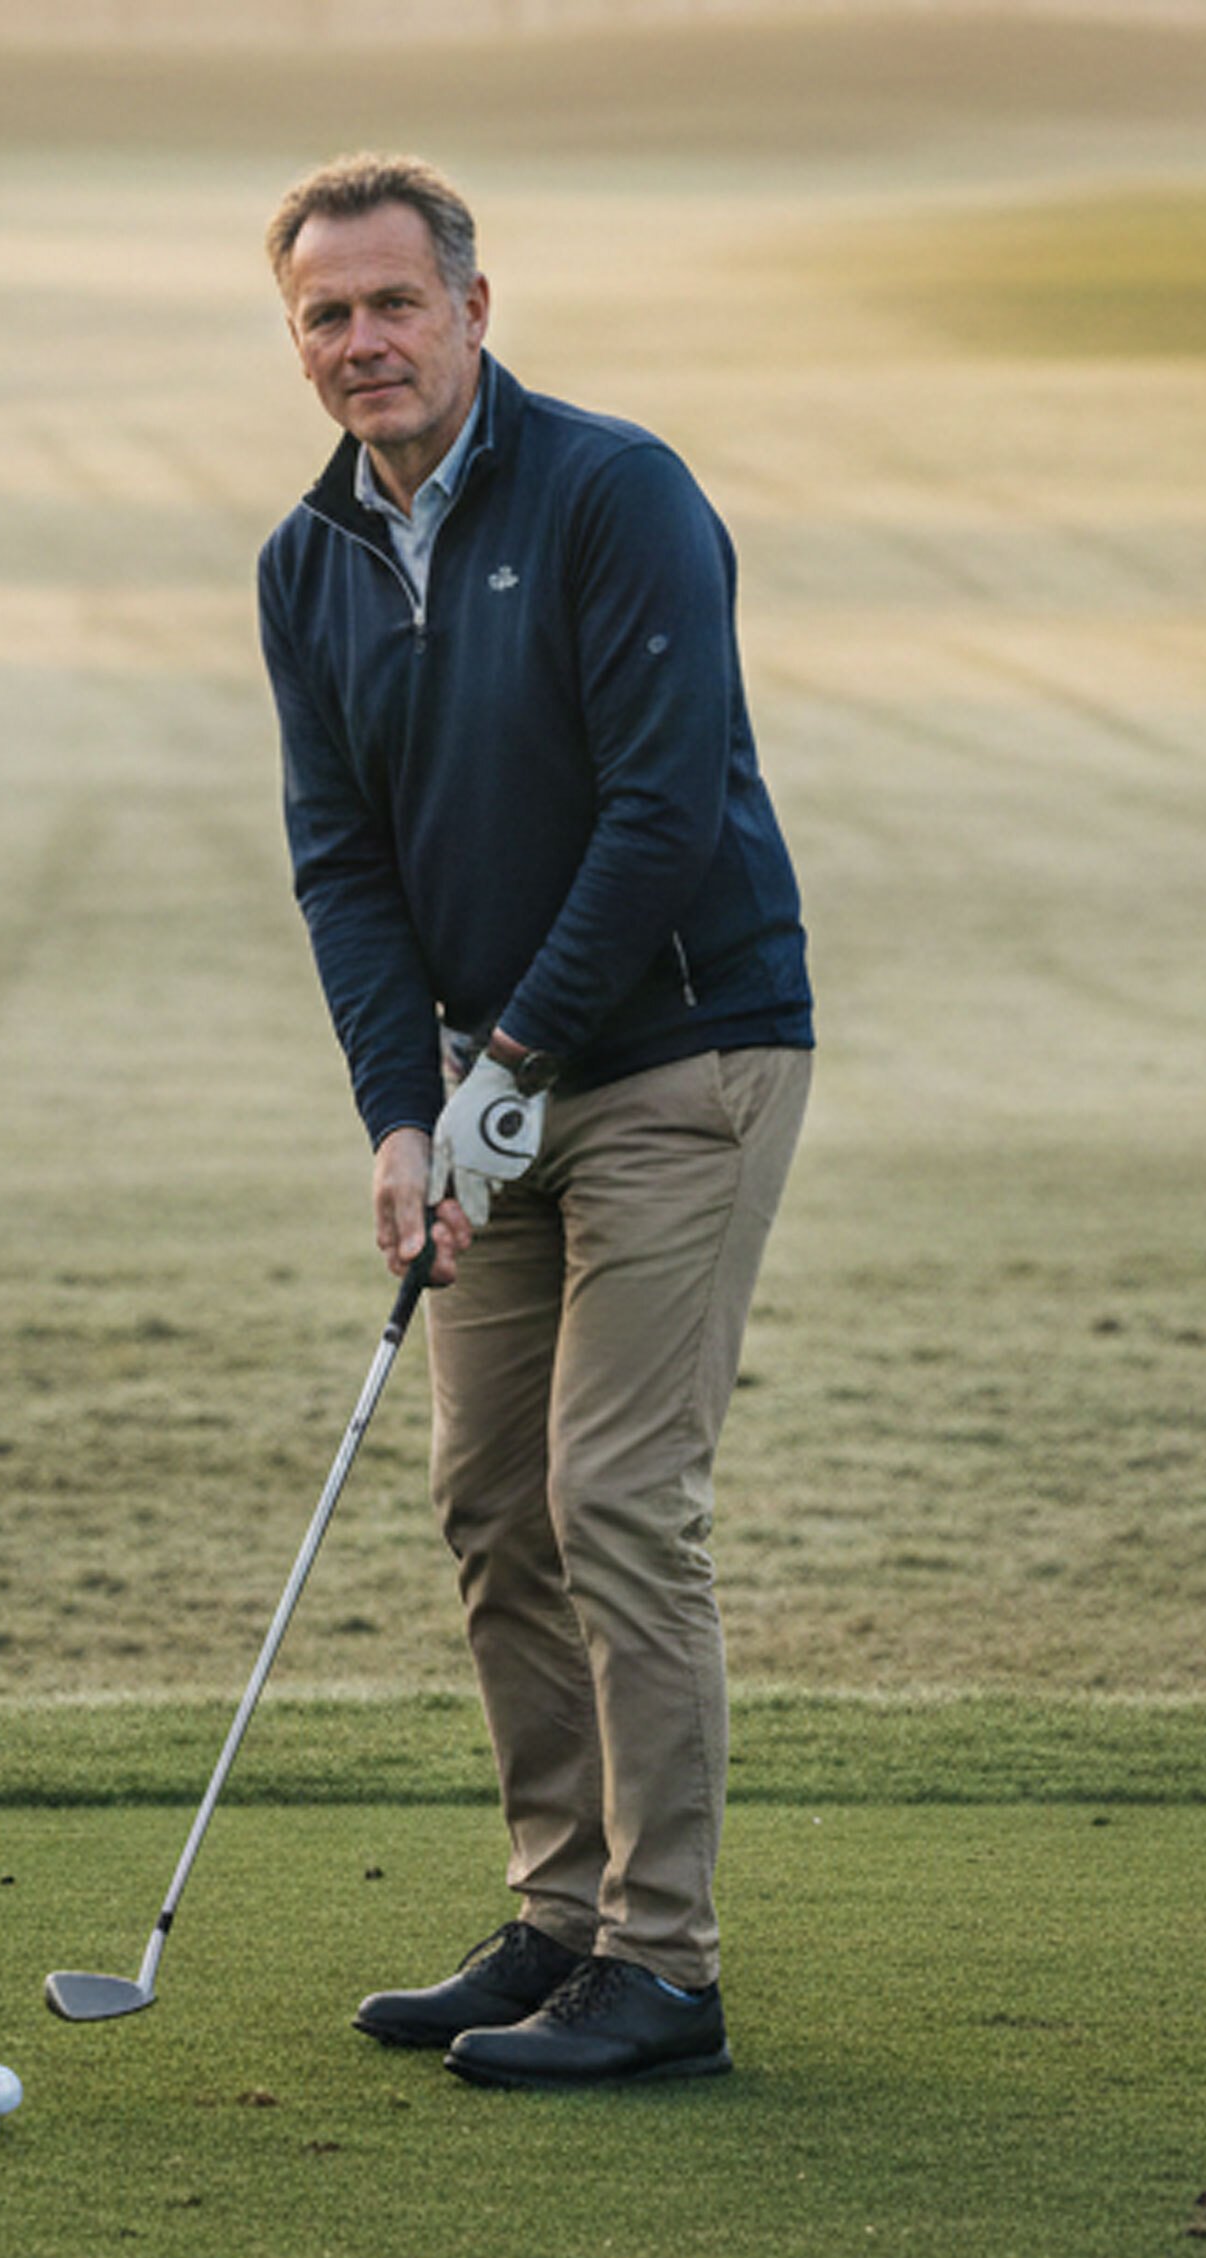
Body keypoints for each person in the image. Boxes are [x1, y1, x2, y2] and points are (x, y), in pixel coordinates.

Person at [257, 154, 813, 2090]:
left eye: (393, 303)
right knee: (489, 1500)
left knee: (614, 1499)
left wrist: (506, 1064)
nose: (361, 343)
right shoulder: (304, 560)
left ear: (475, 309)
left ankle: (664, 1967)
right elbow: (341, 863)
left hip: (683, 1058)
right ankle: (560, 1921)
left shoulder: (610, 491)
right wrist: (403, 1115)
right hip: (490, 1094)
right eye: (324, 315)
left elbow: (662, 812)